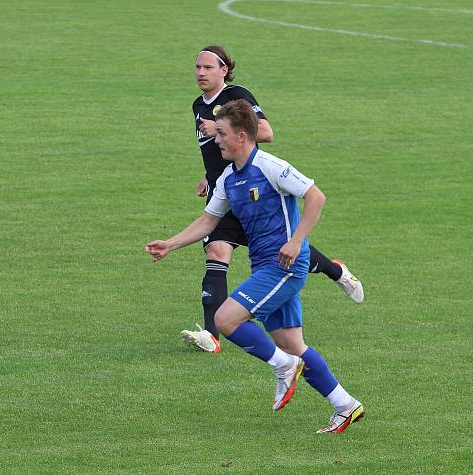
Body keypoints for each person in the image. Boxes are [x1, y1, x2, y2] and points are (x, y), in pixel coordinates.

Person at [147, 99, 364, 433]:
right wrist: (170, 244)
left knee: (224, 319)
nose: (215, 139)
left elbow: (316, 197)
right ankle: (345, 405)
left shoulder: (271, 166)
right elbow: (208, 221)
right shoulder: (228, 180)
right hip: (265, 265)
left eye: (221, 133)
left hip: (286, 266)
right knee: (293, 345)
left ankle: (283, 366)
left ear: (243, 136)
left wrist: (296, 241)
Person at [181, 45, 363, 353]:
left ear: (223, 70)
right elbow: (215, 149)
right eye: (197, 67)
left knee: (286, 252)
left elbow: (265, 132)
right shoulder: (198, 105)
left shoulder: (237, 97)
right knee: (216, 250)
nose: (200, 72)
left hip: (254, 192)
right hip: (225, 193)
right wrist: (208, 177)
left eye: (208, 67)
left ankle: (336, 271)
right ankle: (212, 335)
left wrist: (215, 129)